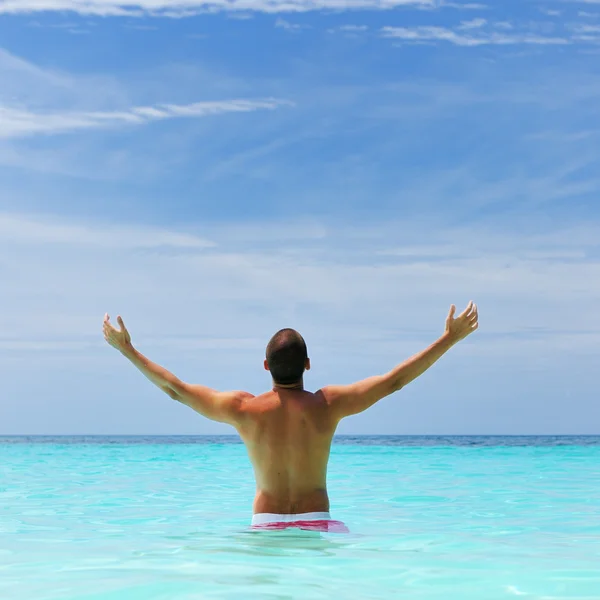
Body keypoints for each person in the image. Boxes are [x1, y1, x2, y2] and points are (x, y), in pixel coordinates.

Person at [103, 301, 478, 533]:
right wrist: (448, 340)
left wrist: (129, 350)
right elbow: (393, 382)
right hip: (317, 520)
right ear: (308, 365)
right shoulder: (328, 405)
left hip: (264, 524)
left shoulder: (244, 410)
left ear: (266, 366)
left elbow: (176, 389)